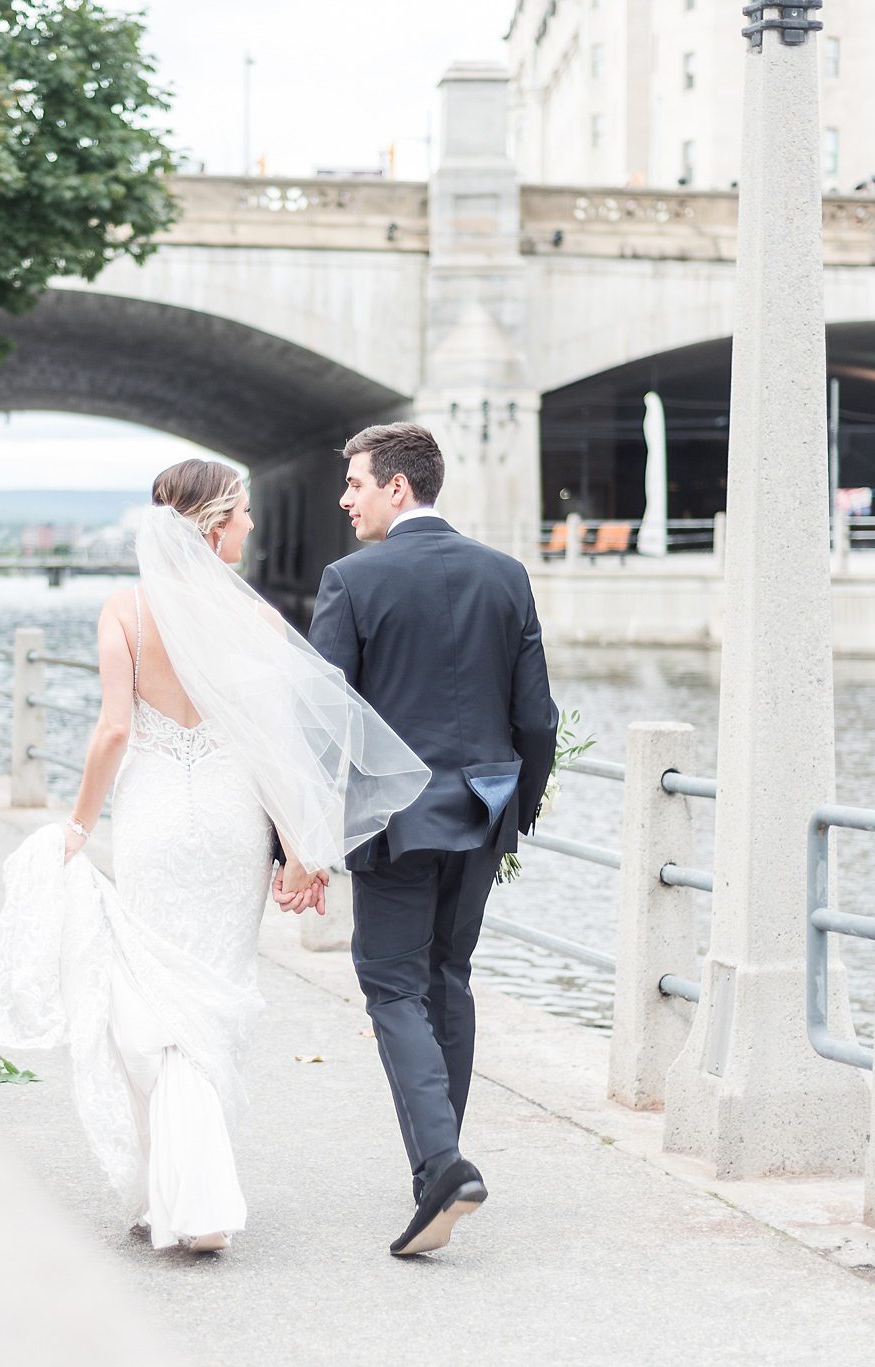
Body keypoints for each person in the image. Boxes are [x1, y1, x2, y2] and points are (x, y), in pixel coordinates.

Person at [0, 460, 428, 1254]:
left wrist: (77, 826)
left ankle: (175, 1193)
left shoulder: (127, 610)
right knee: (212, 994)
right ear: (213, 526)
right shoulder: (249, 620)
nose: (252, 526)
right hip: (228, 818)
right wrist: (300, 852)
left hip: (151, 818)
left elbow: (114, 729)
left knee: (158, 997)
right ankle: (198, 1193)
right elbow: (278, 744)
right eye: (244, 513)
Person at [307, 422, 558, 1257]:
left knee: (391, 986)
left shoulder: (351, 580)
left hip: (393, 821)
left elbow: (322, 724)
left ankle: (444, 1165)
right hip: (484, 813)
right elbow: (537, 718)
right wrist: (512, 814)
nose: (345, 499)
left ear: (398, 488)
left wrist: (298, 835)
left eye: (355, 483)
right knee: (449, 976)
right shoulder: (505, 574)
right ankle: (437, 1170)